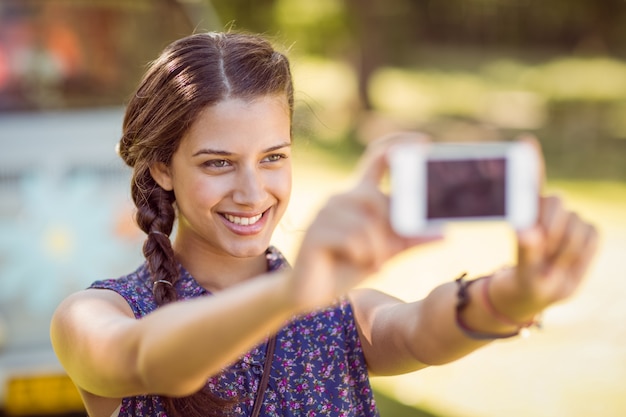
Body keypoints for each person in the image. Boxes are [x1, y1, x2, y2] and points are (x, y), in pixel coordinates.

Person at [50, 31, 598, 417]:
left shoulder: (338, 315)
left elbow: (421, 327)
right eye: (218, 163)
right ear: (161, 168)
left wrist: (518, 294)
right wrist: (291, 291)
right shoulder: (94, 315)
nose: (252, 192)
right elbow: (150, 361)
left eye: (273, 157)